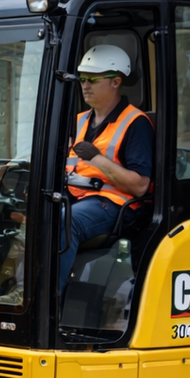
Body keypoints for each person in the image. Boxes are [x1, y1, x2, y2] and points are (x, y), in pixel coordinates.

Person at [59, 45, 154, 292]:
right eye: (82, 78)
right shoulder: (79, 120)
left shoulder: (135, 123)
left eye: (92, 79)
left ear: (115, 82)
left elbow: (141, 186)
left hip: (113, 204)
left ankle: (48, 300)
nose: (85, 84)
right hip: (77, 197)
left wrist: (98, 159)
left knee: (63, 222)